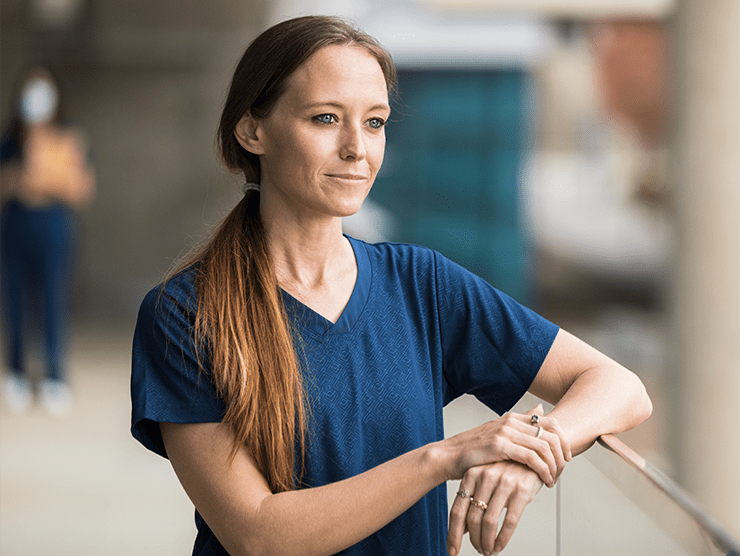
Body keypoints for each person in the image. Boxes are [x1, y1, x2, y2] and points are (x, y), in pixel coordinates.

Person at [130, 15, 652, 556]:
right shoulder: (187, 312)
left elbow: (619, 388)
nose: (358, 148)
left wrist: (533, 452)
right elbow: (258, 536)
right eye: (326, 118)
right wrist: (443, 458)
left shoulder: (421, 284)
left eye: (375, 122)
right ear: (252, 130)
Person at [0, 65, 95, 415]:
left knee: (54, 301)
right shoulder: (11, 140)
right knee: (16, 302)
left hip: (54, 227)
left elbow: (82, 186)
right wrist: (18, 176)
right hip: (16, 226)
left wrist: (45, 178)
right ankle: (17, 373)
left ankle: (55, 375)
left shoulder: (69, 138)